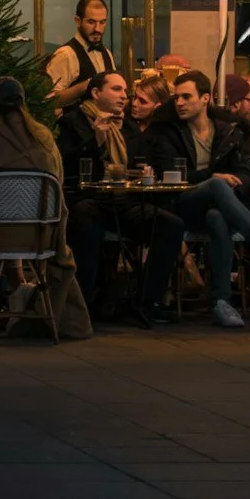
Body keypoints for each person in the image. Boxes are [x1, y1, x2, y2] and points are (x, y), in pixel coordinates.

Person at [0, 77, 93, 339]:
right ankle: (19, 289)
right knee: (10, 227)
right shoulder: (44, 137)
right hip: (41, 237)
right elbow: (57, 184)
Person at [141, 69, 250, 328]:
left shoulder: (227, 131)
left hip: (217, 207)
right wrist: (214, 178)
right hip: (180, 204)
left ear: (206, 98)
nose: (180, 103)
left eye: (187, 97)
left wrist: (226, 184)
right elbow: (171, 175)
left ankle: (221, 302)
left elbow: (245, 174)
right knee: (218, 185)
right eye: (176, 98)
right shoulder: (169, 131)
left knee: (217, 216)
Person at [56, 69, 180, 318]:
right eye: (116, 89)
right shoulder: (73, 122)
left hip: (123, 201)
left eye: (125, 90)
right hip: (87, 200)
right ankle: (86, 301)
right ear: (95, 92)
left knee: (170, 225)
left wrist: (144, 171)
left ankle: (146, 300)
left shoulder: (129, 127)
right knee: (86, 218)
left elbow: (137, 164)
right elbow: (65, 166)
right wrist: (96, 140)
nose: (125, 96)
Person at [43, 0, 119, 112]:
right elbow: (49, 101)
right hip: (74, 128)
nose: (97, 29)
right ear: (78, 21)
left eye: (102, 22)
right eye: (91, 22)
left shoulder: (106, 53)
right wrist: (85, 86)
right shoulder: (66, 54)